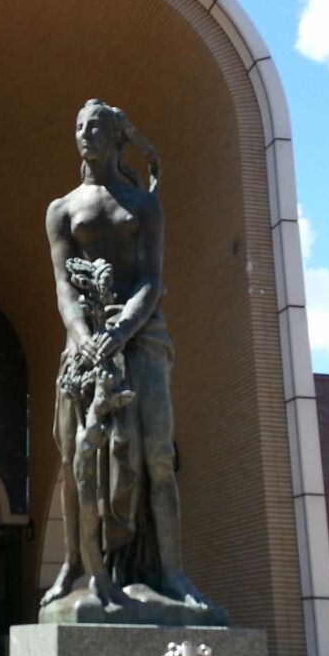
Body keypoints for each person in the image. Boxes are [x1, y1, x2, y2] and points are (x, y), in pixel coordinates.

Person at [42, 99, 217, 613]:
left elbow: (152, 280)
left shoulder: (143, 205)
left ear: (118, 137)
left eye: (96, 126)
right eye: (78, 126)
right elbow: (63, 287)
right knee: (75, 455)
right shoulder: (61, 209)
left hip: (142, 338)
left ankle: (171, 572)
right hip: (85, 344)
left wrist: (120, 331)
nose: (85, 134)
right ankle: (75, 563)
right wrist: (84, 335)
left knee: (158, 455)